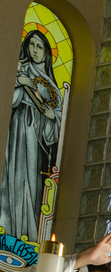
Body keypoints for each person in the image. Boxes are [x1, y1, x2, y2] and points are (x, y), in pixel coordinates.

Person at [0, 30, 63, 243]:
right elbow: (9, 100)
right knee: (13, 177)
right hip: (17, 130)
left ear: (46, 53)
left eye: (39, 47)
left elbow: (56, 117)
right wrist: (20, 82)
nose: (34, 51)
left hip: (35, 143)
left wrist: (52, 116)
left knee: (31, 184)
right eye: (31, 45)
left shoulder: (50, 84)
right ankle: (7, 228)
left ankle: (26, 234)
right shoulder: (20, 69)